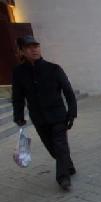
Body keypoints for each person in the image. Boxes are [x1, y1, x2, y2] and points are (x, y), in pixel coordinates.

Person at [12, 35, 77, 190]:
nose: (34, 49)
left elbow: (68, 92)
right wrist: (18, 116)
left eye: (36, 46)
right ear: (21, 51)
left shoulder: (53, 68)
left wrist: (72, 113)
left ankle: (63, 178)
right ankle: (68, 165)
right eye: (29, 47)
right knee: (53, 149)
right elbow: (18, 97)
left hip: (58, 116)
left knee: (60, 145)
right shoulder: (19, 72)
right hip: (39, 118)